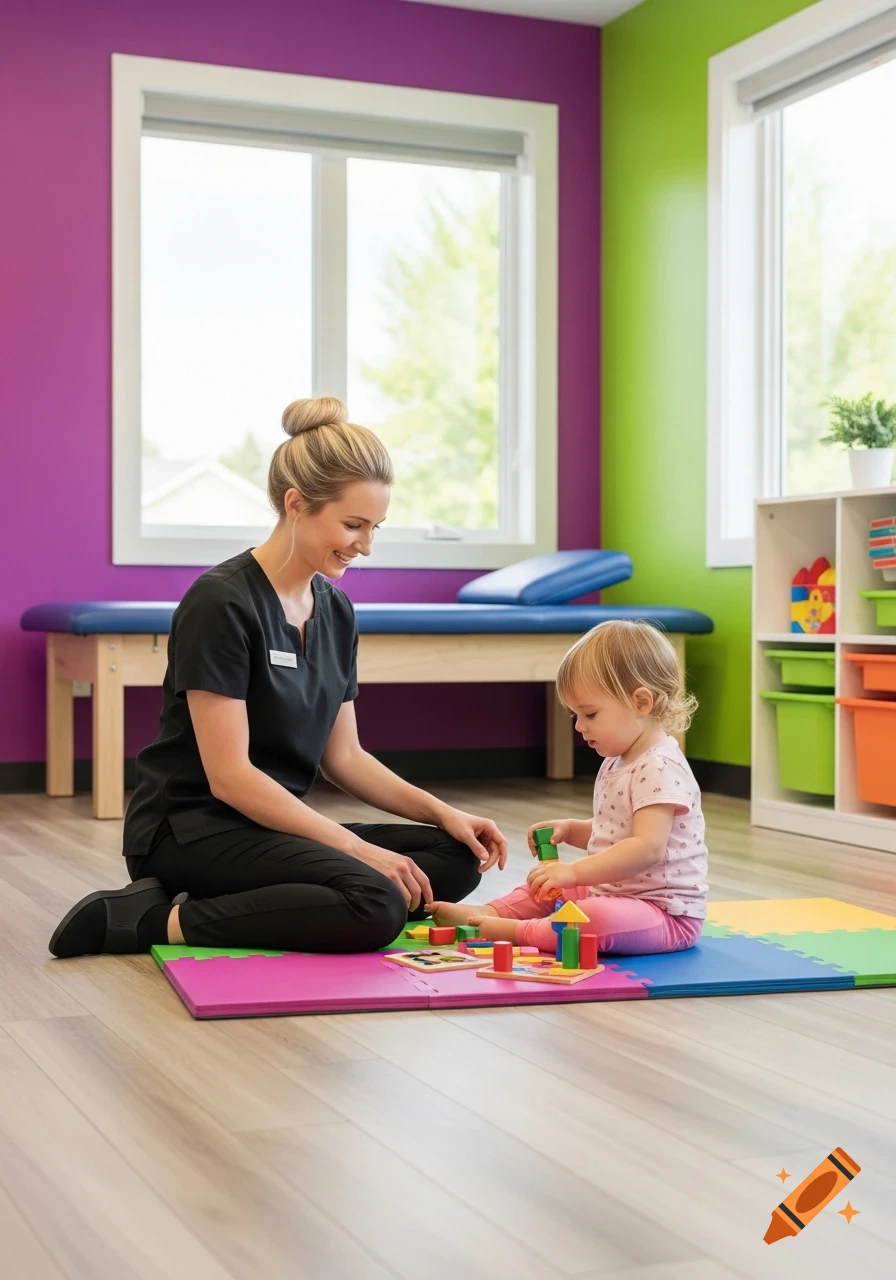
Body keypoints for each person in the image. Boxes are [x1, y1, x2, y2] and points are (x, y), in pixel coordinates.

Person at [50, 397, 506, 959]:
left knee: (454, 859)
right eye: (353, 524)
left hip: (271, 828)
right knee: (376, 902)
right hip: (194, 827)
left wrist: (446, 813)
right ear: (296, 504)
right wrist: (357, 853)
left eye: (375, 527)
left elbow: (345, 758)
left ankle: (282, 896)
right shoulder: (221, 602)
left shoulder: (334, 610)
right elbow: (231, 779)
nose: (366, 546)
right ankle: (144, 919)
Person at [429, 620, 707, 956]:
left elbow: (646, 846)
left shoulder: (660, 765)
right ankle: (491, 913)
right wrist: (572, 830)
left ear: (641, 703)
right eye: (575, 714)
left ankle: (519, 931)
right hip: (614, 894)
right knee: (546, 885)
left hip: (663, 914)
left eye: (589, 713)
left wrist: (574, 872)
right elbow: (618, 830)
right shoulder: (618, 760)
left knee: (590, 916)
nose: (579, 726)